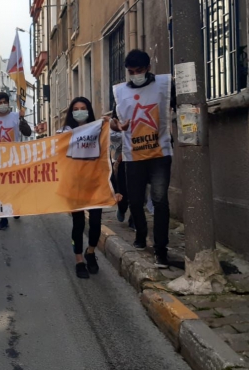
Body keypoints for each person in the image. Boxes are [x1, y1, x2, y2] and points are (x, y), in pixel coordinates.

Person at [109, 49, 175, 268]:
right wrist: (118, 125)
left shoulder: (165, 85)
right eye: (131, 71)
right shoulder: (119, 92)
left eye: (139, 70)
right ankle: (140, 233)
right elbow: (113, 121)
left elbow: (179, 106)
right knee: (135, 201)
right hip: (133, 155)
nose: (135, 75)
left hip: (160, 153)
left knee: (160, 201)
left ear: (148, 68)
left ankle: (160, 250)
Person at [59, 97, 103, 279]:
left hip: (94, 183)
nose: (79, 111)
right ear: (71, 112)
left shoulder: (100, 129)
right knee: (78, 223)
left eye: (83, 108)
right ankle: (79, 260)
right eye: (75, 108)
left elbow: (108, 150)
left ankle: (90, 251)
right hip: (74, 184)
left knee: (95, 223)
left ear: (89, 110)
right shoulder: (63, 132)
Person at [0, 92, 32, 230]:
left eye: (5, 102)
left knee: (14, 187)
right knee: (0, 189)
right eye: (0, 103)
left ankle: (16, 206)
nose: (3, 104)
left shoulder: (16, 116)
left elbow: (28, 133)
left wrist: (22, 119)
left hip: (14, 158)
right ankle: (3, 218)